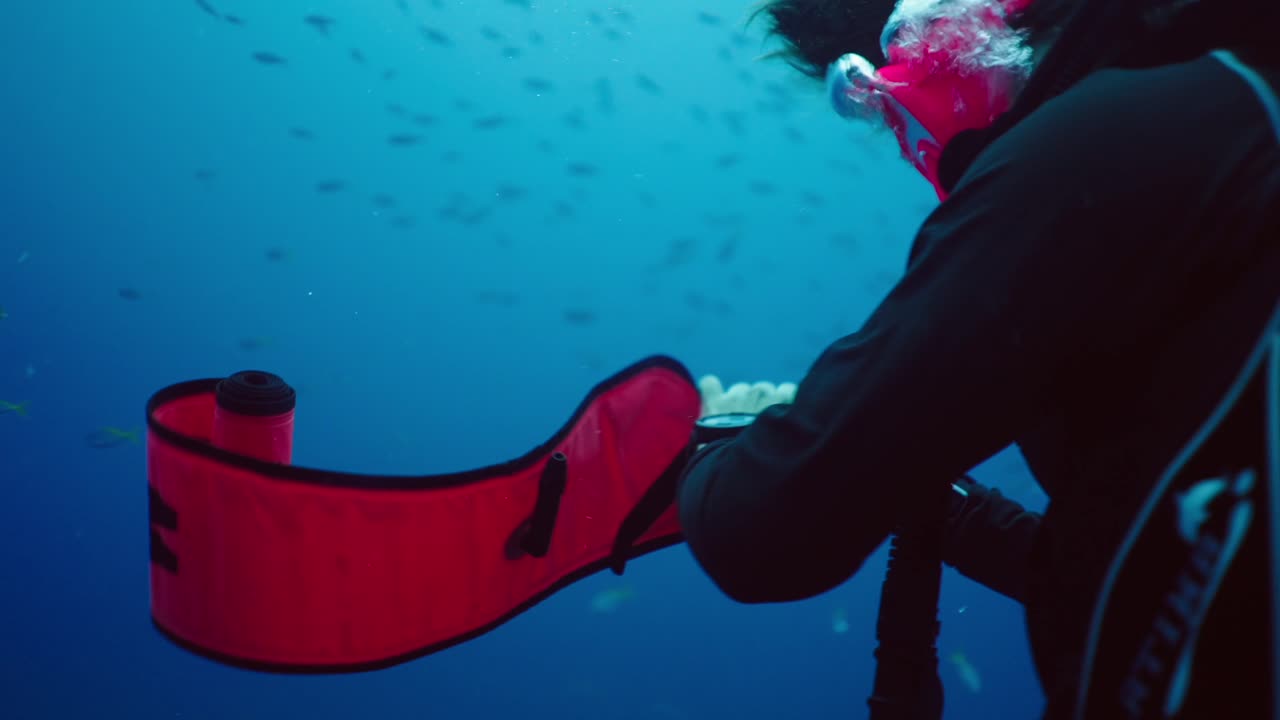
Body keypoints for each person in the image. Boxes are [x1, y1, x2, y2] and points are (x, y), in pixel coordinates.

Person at [675, 0, 1279, 717]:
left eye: (875, 91)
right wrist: (959, 515)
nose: (900, 131)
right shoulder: (1235, 102)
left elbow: (761, 530)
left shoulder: (1099, 144)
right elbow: (1163, 567)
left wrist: (714, 445)